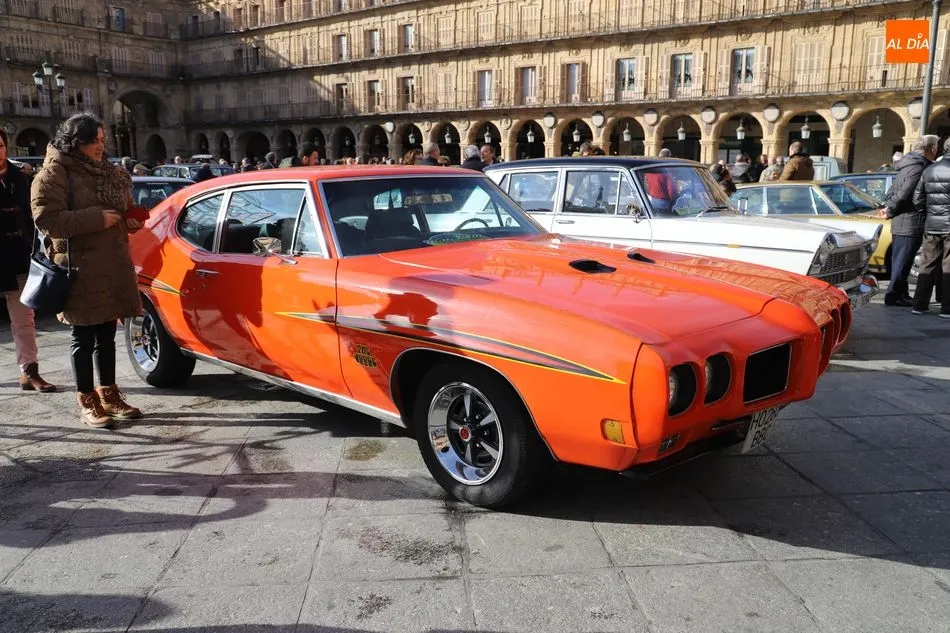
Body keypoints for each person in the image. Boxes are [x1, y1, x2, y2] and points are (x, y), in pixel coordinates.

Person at [31, 112, 143, 428]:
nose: (99, 146)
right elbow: (46, 219)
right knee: (83, 336)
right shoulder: (54, 172)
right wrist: (97, 218)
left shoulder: (110, 172)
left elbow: (120, 212)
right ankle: (87, 400)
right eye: (92, 140)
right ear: (75, 142)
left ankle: (109, 394)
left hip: (112, 265)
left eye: (102, 140)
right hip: (79, 268)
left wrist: (131, 220)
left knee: (107, 334)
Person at [0, 129, 56, 393]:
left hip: (18, 256)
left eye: (1, 146)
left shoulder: (20, 178)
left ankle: (29, 371)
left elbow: (32, 216)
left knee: (24, 317)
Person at [883, 135, 939, 307]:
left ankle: (901, 293)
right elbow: (905, 193)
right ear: (932, 149)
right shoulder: (918, 167)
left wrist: (890, 207)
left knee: (902, 261)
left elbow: (891, 192)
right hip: (910, 221)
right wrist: (891, 209)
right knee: (902, 261)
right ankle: (893, 296)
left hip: (904, 220)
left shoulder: (908, 164)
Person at [911, 137, 950, 316]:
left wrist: (930, 214)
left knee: (927, 265)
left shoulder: (929, 169)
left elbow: (917, 199)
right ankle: (947, 308)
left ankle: (919, 305)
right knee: (948, 267)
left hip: (932, 225)